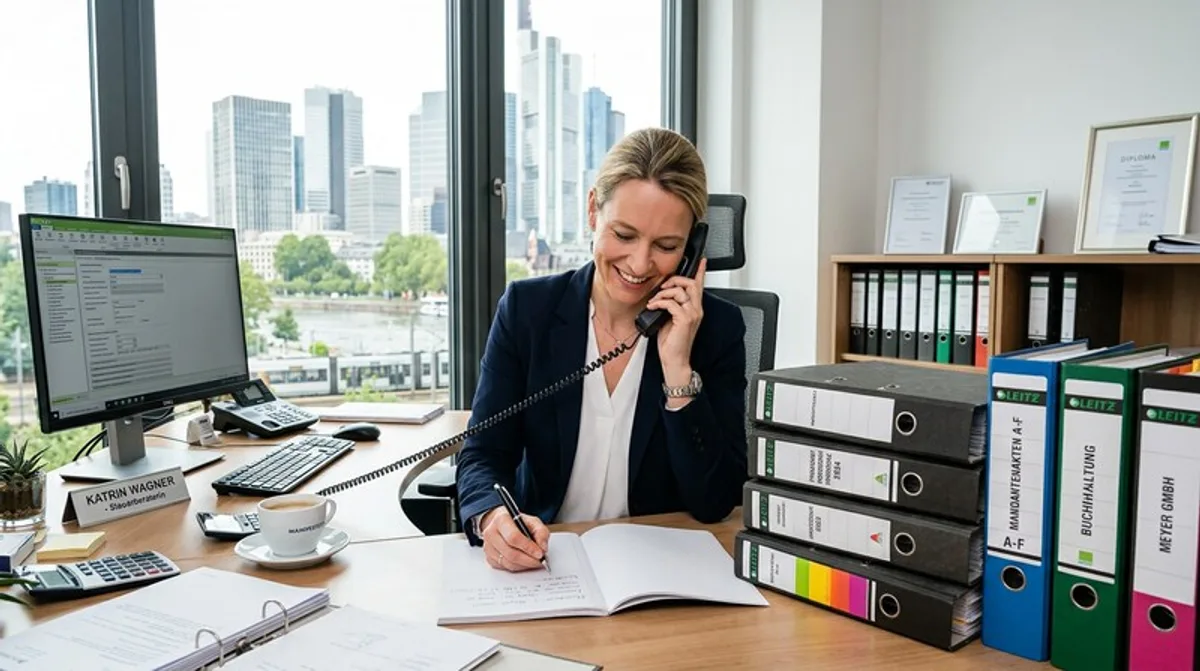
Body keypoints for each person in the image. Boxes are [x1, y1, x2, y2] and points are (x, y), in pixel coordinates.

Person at [455, 127, 748, 572]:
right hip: (547, 566)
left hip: (660, 574)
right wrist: (492, 518)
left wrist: (677, 369)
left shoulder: (717, 330)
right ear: (593, 210)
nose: (639, 264)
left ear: (693, 248)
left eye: (666, 246)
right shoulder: (527, 312)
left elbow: (715, 502)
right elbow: (483, 455)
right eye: (624, 235)